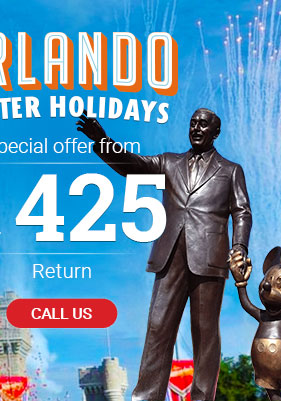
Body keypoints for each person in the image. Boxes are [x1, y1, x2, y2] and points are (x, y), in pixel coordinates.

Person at [76, 108, 252, 401]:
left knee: (205, 333)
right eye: (193, 123)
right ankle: (147, 396)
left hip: (210, 257)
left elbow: (242, 211)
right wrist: (103, 140)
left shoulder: (230, 170)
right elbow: (131, 165)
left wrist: (240, 247)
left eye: (203, 125)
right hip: (170, 256)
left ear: (215, 132)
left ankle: (202, 397)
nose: (196, 128)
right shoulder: (169, 162)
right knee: (158, 327)